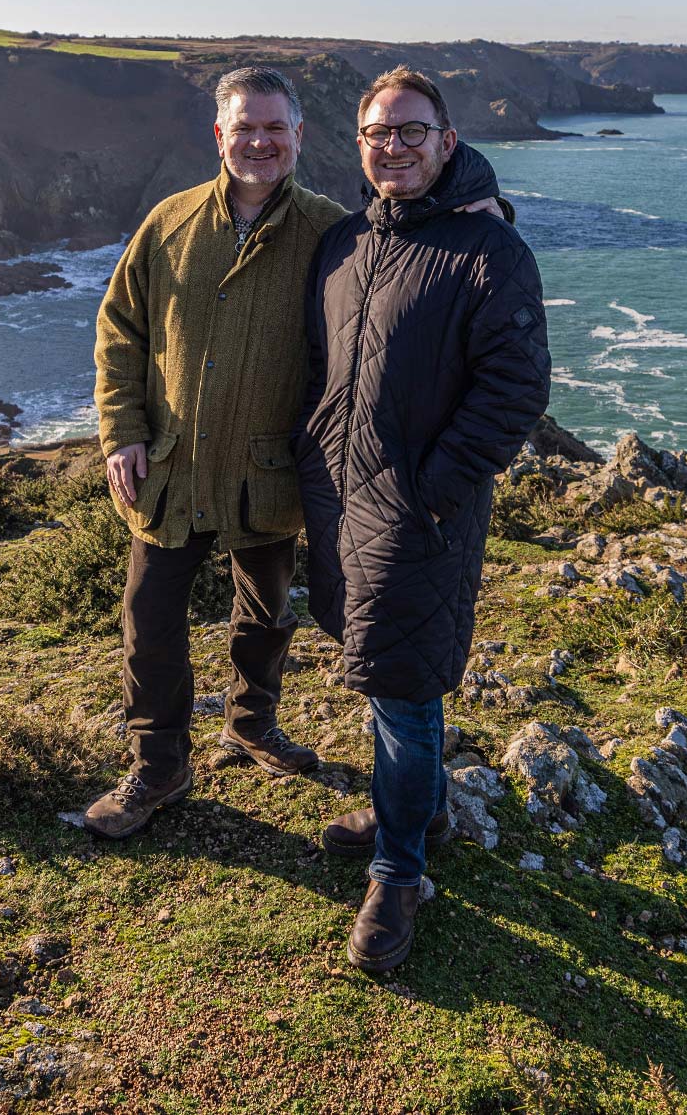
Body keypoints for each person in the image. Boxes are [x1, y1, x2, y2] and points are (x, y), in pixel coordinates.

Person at [85, 66, 499, 839]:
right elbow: (120, 331)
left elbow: (415, 243)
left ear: (301, 136)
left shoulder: (331, 231)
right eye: (245, 127)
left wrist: (482, 201)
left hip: (270, 470)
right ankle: (157, 765)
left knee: (267, 612)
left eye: (276, 127)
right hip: (169, 466)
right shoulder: (168, 223)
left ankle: (251, 724)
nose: (260, 141)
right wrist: (122, 431)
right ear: (219, 135)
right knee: (150, 617)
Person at [295, 66, 551, 971]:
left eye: (411, 131)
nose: (393, 147)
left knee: (403, 685)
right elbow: (327, 369)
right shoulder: (343, 242)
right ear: (359, 146)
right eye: (377, 133)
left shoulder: (489, 253)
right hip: (342, 501)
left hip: (419, 512)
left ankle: (397, 869)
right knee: (388, 675)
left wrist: (430, 490)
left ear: (448, 142)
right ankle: (421, 807)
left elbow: (516, 390)